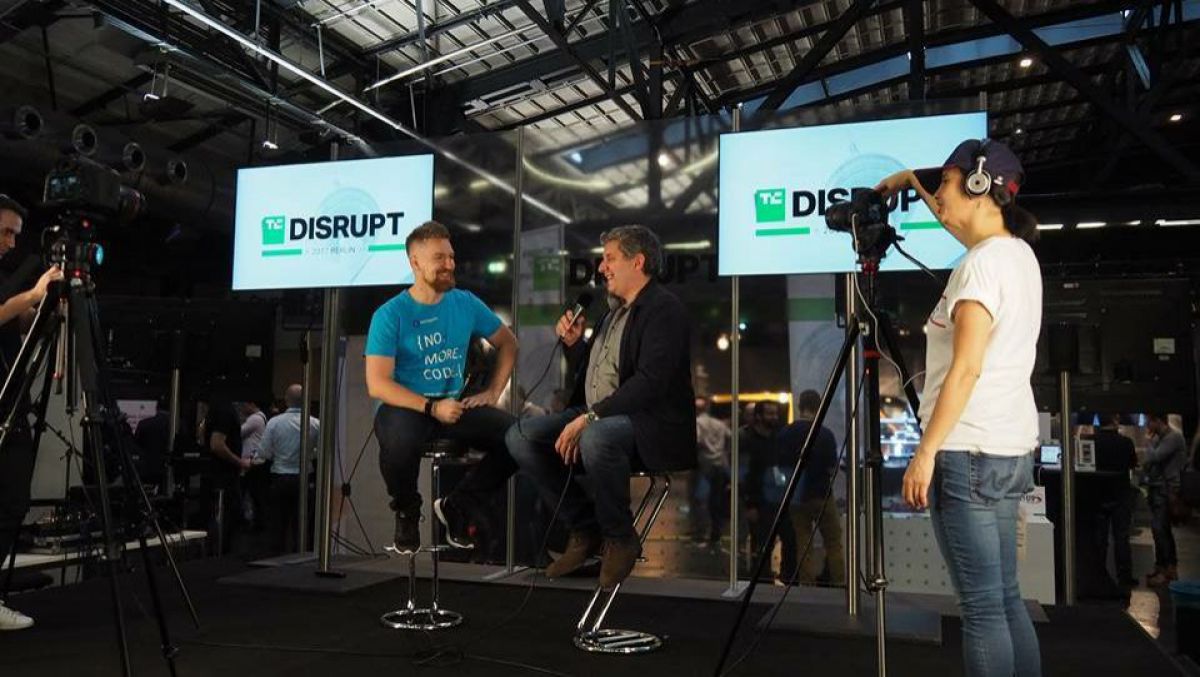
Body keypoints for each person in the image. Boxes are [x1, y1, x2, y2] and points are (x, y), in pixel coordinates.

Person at [878, 139, 1043, 677]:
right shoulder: (1015, 255)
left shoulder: (979, 267)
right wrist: (911, 181)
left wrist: (926, 451)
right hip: (1006, 450)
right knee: (1005, 598)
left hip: (965, 451)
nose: (940, 196)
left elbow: (966, 368)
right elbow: (955, 223)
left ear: (978, 185)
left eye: (947, 183)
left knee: (981, 608)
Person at [506, 225, 696, 589]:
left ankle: (619, 537)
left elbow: (650, 382)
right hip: (601, 415)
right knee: (520, 436)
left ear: (637, 262)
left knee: (596, 436)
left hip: (649, 423)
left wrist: (592, 418)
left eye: (610, 259)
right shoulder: (612, 314)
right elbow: (596, 377)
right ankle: (585, 529)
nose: (602, 267)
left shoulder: (664, 309)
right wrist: (575, 346)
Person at [365, 220, 519, 553]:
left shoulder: (465, 303)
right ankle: (407, 509)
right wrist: (431, 407)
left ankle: (459, 505)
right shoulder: (390, 314)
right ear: (415, 263)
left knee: (520, 438)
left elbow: (508, 344)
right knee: (398, 441)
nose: (449, 264)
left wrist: (493, 392)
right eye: (439, 258)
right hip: (405, 406)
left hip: (452, 405)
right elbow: (377, 384)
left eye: (451, 256)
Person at [0, 194, 63, 631]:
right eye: (5, 232)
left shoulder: (7, 278)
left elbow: (14, 322)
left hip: (8, 400)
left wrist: (42, 306)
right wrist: (34, 293)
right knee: (8, 500)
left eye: (15, 235)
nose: (10, 242)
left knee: (12, 501)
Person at [776, 390, 845, 586]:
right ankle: (839, 582)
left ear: (800, 406)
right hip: (822, 495)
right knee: (833, 542)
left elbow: (779, 466)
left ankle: (807, 585)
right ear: (819, 407)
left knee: (803, 542)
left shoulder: (785, 433)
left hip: (796, 495)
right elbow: (832, 468)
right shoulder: (825, 434)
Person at [257, 384, 320, 554]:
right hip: (304, 478)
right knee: (302, 524)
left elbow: (264, 452)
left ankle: (276, 559)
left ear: (285, 400)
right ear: (307, 401)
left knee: (278, 524)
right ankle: (301, 558)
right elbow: (321, 452)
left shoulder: (274, 423)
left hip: (280, 477)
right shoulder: (315, 423)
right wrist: (308, 454)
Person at [742, 401, 792, 581]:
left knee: (788, 538)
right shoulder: (748, 441)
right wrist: (750, 504)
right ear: (758, 416)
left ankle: (786, 576)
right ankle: (761, 579)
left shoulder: (777, 439)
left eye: (775, 413)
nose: (774, 417)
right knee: (762, 543)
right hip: (759, 501)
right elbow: (746, 474)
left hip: (778, 498)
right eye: (770, 414)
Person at [199, 391, 250, 556]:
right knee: (231, 515)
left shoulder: (214, 410)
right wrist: (240, 462)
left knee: (215, 515)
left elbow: (203, 435)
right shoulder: (226, 411)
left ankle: (215, 552)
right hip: (225, 475)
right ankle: (223, 554)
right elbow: (217, 445)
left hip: (213, 472)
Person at [1092, 413, 1137, 587]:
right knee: (1121, 538)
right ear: (1115, 420)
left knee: (1100, 539)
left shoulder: (1093, 442)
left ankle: (1098, 575)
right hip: (1121, 494)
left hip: (1098, 495)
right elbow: (1133, 464)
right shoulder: (1126, 442)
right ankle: (1124, 577)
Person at [1143, 412, 1187, 586]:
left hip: (1167, 490)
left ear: (1158, 421)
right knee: (1159, 530)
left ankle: (1168, 569)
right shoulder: (1159, 439)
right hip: (1157, 488)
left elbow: (1154, 457)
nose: (1147, 425)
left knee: (1160, 529)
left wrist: (1148, 442)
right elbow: (1148, 462)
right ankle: (1162, 567)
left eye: (1149, 421)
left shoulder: (1173, 438)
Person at [695, 396, 732, 545]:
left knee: (701, 499)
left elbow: (697, 440)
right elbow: (730, 437)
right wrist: (724, 451)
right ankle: (716, 531)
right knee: (716, 499)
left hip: (705, 465)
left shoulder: (697, 423)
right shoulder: (719, 424)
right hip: (720, 464)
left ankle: (702, 531)